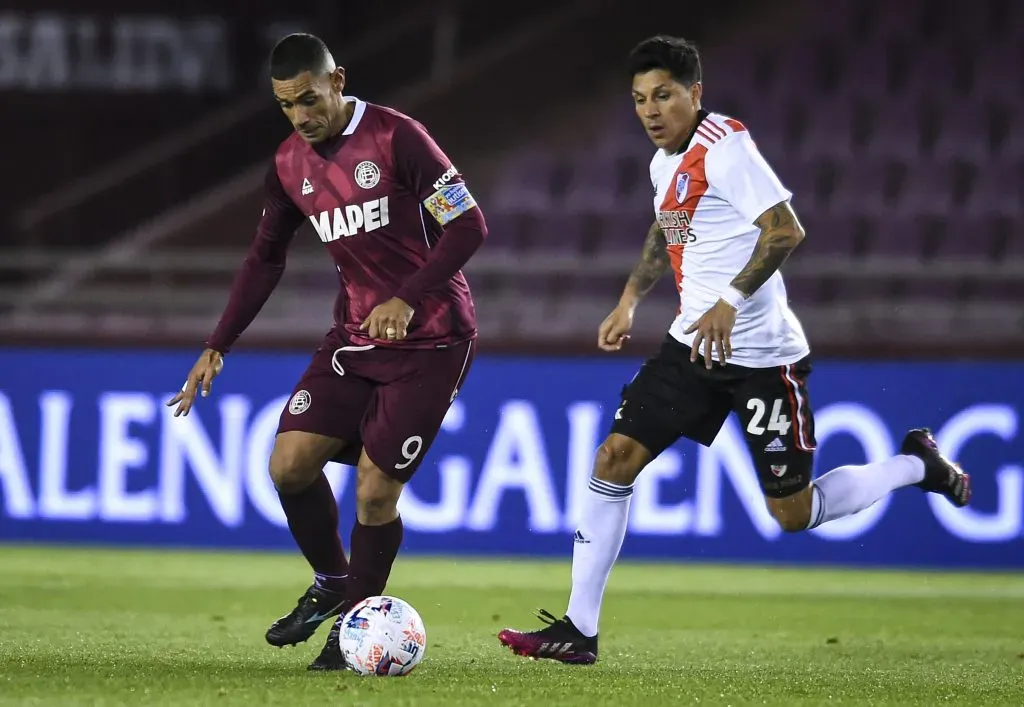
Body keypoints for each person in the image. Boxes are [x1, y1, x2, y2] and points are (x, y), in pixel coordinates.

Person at [497, 35, 971, 665]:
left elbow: (785, 230)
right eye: (639, 99)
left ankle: (917, 465)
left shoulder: (726, 146)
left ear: (696, 93)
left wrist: (731, 299)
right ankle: (579, 630)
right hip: (692, 347)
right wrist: (631, 298)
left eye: (663, 94)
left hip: (761, 356)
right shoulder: (664, 162)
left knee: (792, 515)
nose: (650, 110)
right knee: (613, 458)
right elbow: (666, 227)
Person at [166, 32, 486, 671]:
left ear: (337, 80)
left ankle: (352, 632)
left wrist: (407, 295)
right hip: (353, 340)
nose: (301, 117)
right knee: (287, 466)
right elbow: (265, 258)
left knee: (375, 491)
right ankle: (335, 581)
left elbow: (468, 225)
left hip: (433, 339)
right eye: (287, 106)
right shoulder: (288, 165)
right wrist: (217, 343)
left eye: (309, 100)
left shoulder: (399, 138)